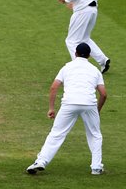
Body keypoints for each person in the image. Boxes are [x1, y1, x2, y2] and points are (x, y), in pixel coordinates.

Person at [26, 43, 107, 175]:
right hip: (89, 104)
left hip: (69, 104)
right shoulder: (95, 70)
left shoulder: (67, 67)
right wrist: (97, 110)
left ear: (75, 53)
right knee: (95, 135)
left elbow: (54, 87)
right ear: (89, 56)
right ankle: (96, 167)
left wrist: (51, 108)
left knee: (56, 134)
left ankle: (41, 161)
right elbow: (103, 94)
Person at [58, 0, 110, 73]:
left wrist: (67, 0)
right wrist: (77, 3)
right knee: (84, 38)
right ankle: (103, 60)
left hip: (83, 11)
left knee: (71, 41)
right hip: (92, 10)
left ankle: (78, 68)